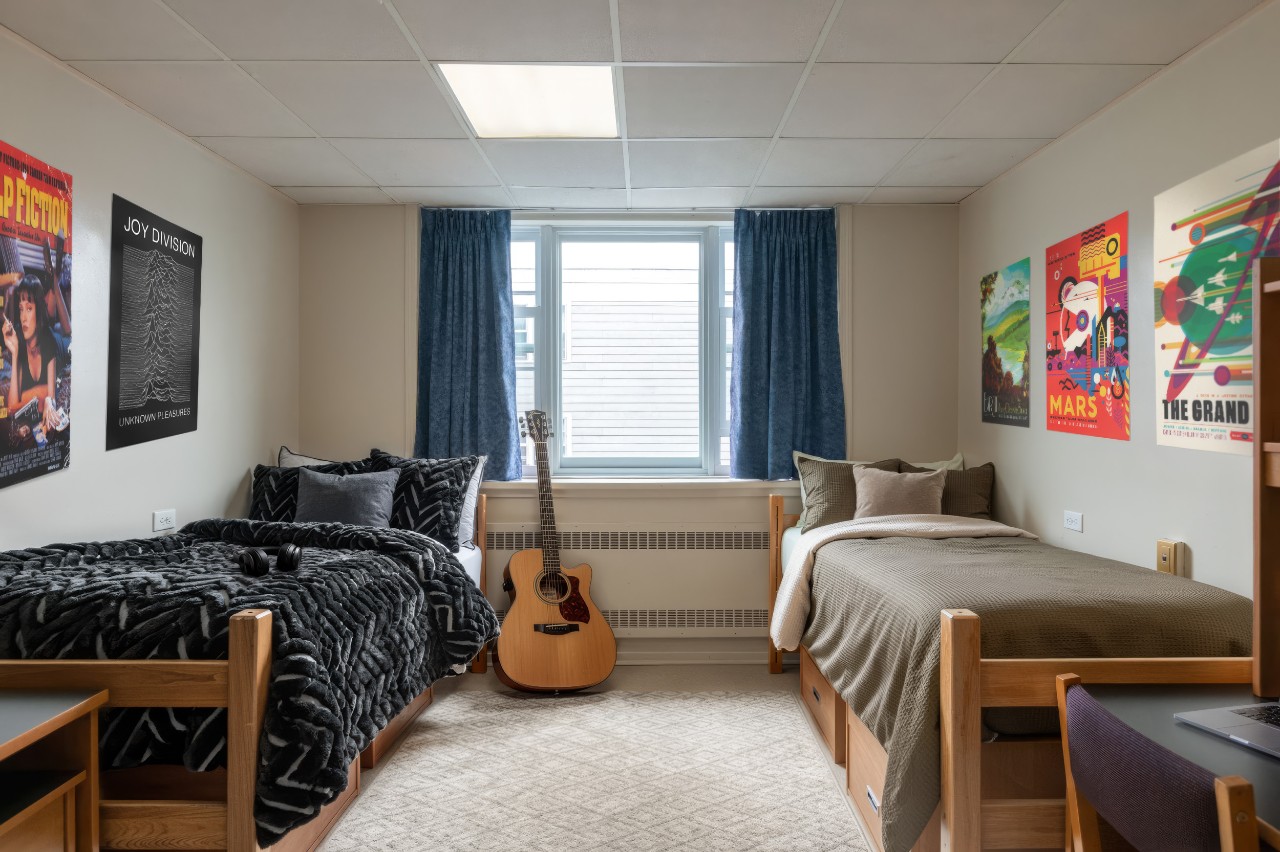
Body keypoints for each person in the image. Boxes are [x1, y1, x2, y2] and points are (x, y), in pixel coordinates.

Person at [3, 274, 61, 433]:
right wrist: (14, 354)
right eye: (21, 309)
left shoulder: (49, 341)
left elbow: (51, 398)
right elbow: (12, 409)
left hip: (61, 344)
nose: (23, 318)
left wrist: (48, 399)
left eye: (29, 308)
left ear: (39, 310)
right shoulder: (20, 343)